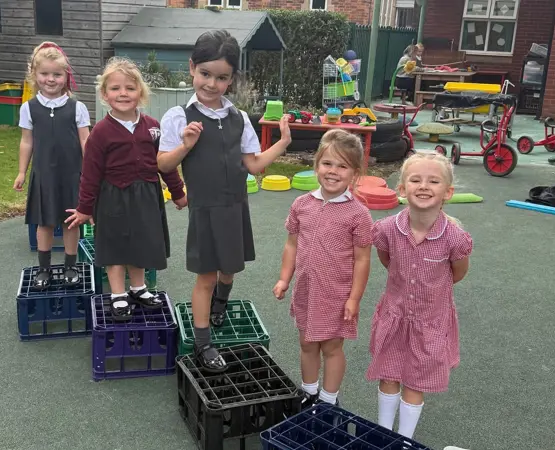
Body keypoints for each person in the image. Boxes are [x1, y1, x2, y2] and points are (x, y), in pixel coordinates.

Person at [158, 29, 292, 373]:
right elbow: (163, 165)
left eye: (222, 77)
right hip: (204, 210)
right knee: (205, 276)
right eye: (205, 74)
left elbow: (254, 164)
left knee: (229, 269)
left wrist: (282, 143)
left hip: (235, 208)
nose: (212, 84)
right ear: (192, 68)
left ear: (231, 79)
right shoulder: (178, 116)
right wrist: (185, 145)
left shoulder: (239, 118)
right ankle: (203, 343)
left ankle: (221, 302)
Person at [64, 57, 187, 320]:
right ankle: (118, 294)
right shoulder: (100, 132)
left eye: (130, 88)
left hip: (147, 197)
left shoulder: (153, 127)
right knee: (116, 246)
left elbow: (165, 165)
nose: (123, 94)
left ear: (140, 93)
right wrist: (85, 208)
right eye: (115, 88)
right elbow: (90, 173)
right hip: (112, 199)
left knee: (140, 243)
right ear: (105, 94)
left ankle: (138, 288)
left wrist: (177, 193)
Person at [367, 152, 473, 439]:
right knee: (389, 376)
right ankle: (383, 435)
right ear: (402, 189)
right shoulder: (388, 229)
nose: (424, 186)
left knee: (414, 382)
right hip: (395, 316)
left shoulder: (454, 237)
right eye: (415, 180)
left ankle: (403, 440)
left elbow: (457, 273)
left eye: (433, 181)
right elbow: (387, 260)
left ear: (447, 192)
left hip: (430, 322)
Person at [273, 129, 374, 408]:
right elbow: (292, 244)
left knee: (331, 347)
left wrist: (354, 299)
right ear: (316, 165)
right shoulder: (302, 204)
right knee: (307, 343)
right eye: (327, 163)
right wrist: (284, 279)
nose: (333, 171)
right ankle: (309, 392)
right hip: (307, 290)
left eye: (342, 166)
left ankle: (329, 400)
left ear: (354, 173)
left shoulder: (358, 214)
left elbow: (362, 259)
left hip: (336, 295)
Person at [14, 41, 91, 288]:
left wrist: (91, 173)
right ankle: (44, 270)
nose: (50, 79)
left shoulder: (77, 107)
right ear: (34, 76)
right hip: (44, 175)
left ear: (65, 76)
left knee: (71, 221)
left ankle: (71, 267)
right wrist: (21, 172)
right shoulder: (29, 108)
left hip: (72, 175)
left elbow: (85, 141)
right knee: (44, 222)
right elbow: (27, 142)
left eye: (57, 74)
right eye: (44, 74)